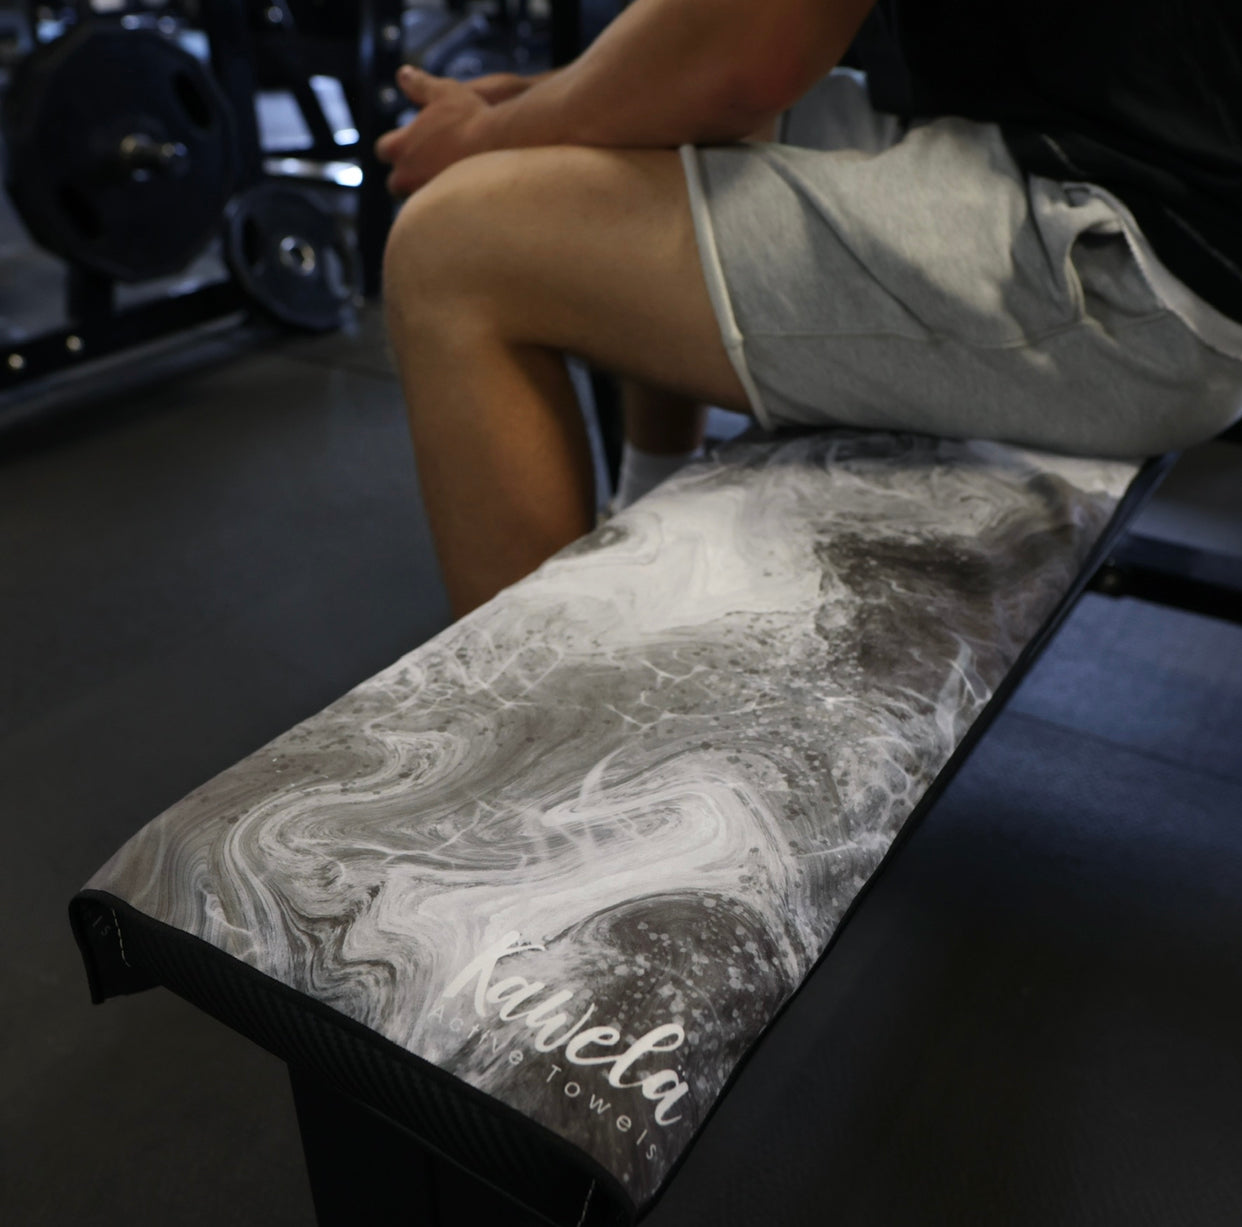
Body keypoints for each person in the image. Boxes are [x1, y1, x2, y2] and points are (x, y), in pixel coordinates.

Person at [375, 0, 1242, 620]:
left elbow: (744, 65)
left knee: (455, 246)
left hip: (1131, 276)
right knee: (651, 123)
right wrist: (542, 101)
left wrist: (487, 138)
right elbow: (711, 43)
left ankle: (541, 767)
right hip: (1102, 177)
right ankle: (640, 513)